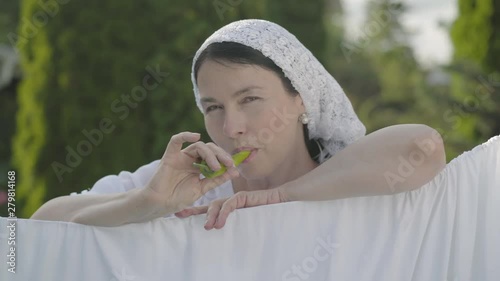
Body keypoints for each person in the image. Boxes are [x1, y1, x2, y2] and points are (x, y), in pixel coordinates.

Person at [31, 19, 446, 229]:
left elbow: (423, 147)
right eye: (213, 107)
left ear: (301, 97)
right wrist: (148, 203)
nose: (232, 128)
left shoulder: (349, 177)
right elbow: (43, 222)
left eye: (250, 99)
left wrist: (280, 196)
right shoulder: (185, 185)